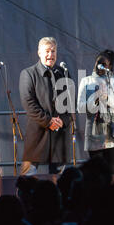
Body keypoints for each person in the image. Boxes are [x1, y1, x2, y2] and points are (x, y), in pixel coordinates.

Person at [19, 37, 71, 175]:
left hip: (59, 133)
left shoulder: (62, 73)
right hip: (38, 131)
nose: (50, 55)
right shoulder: (29, 74)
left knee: (59, 178)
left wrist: (63, 121)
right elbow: (28, 103)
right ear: (39, 53)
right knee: (28, 175)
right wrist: (48, 121)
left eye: (53, 51)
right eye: (47, 51)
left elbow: (69, 103)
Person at [77, 50, 114, 174]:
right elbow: (80, 107)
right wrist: (95, 99)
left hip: (111, 131)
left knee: (111, 170)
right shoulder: (87, 81)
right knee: (95, 171)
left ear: (110, 66)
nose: (99, 66)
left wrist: (107, 98)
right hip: (94, 132)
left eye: (103, 64)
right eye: (97, 63)